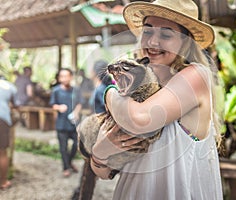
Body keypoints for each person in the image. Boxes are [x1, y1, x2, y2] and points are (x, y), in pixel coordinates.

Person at [91, 0, 224, 199]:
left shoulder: (197, 75)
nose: (153, 42)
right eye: (148, 31)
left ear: (185, 41)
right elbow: (104, 172)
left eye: (166, 34)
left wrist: (109, 92)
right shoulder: (138, 86)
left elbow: (140, 119)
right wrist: (99, 152)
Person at [49, 68, 84, 177]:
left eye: (66, 76)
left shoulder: (76, 90)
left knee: (77, 145)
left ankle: (68, 162)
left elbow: (80, 103)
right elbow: (53, 105)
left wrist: (76, 112)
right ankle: (66, 168)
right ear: (59, 78)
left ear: (71, 77)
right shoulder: (56, 91)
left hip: (74, 123)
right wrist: (59, 107)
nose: (64, 78)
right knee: (63, 148)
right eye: (62, 76)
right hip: (61, 124)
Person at [0, 76, 17, 189]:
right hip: (2, 120)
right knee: (2, 152)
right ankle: (3, 182)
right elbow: (16, 104)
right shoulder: (10, 86)